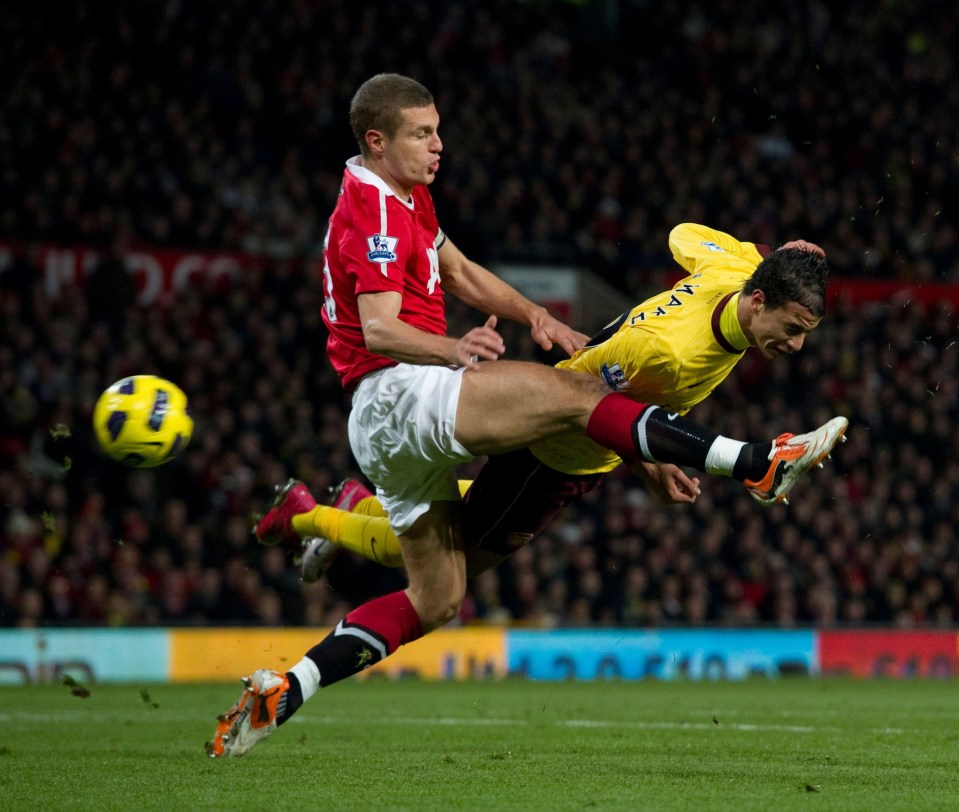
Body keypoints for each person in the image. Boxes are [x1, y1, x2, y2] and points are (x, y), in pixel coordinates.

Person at [206, 75, 847, 757]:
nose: (438, 144)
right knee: (578, 399)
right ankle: (754, 464)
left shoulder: (406, 197)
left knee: (436, 598)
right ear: (376, 140)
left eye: (437, 128)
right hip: (397, 393)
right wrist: (455, 347)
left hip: (397, 421)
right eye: (422, 133)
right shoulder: (375, 215)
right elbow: (379, 328)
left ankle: (288, 684)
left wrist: (531, 312)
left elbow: (458, 271)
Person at [263, 223, 845, 584]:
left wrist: (785, 252)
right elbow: (592, 404)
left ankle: (354, 501)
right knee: (445, 560)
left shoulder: (737, 267)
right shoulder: (668, 353)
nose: (794, 346)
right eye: (792, 329)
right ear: (759, 299)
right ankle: (305, 514)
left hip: (577, 444)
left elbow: (683, 235)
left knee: (449, 524)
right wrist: (649, 468)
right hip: (555, 454)